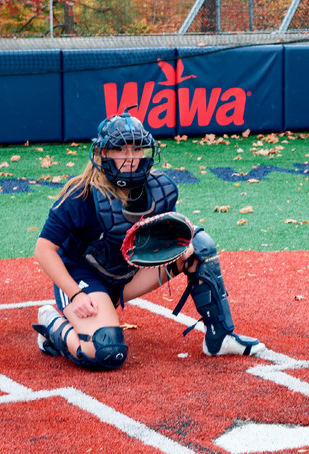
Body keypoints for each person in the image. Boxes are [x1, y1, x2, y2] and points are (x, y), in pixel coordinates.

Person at [33, 111, 264, 370]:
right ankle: (52, 323)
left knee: (199, 246)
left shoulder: (157, 189)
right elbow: (43, 250)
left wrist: (181, 248)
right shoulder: (81, 194)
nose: (131, 158)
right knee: (106, 351)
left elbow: (171, 234)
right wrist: (74, 294)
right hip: (83, 278)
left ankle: (219, 337)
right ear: (103, 153)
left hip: (127, 276)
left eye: (137, 149)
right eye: (121, 149)